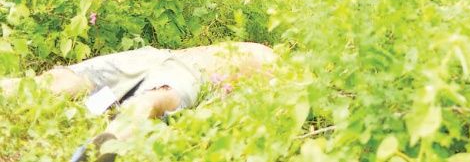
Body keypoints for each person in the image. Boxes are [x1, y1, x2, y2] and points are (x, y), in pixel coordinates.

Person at [1, 42, 275, 161]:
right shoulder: (273, 62)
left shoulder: (265, 61)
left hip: (170, 63)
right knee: (151, 101)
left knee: (58, 82)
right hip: (178, 66)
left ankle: (104, 143)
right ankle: (106, 141)